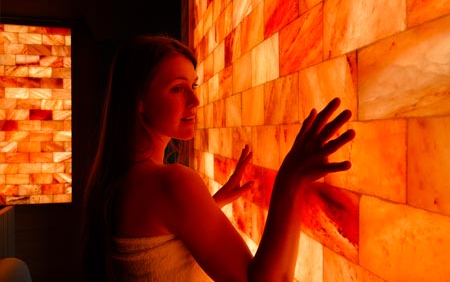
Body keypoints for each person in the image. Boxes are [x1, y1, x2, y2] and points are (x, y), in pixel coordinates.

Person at [82, 35, 355, 282]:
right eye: (177, 89)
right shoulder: (171, 182)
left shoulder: (119, 180)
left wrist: (211, 204)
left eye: (193, 85)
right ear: (137, 102)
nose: (195, 100)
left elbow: (159, 248)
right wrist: (289, 182)